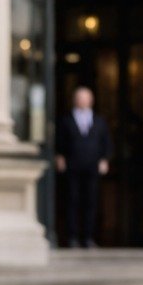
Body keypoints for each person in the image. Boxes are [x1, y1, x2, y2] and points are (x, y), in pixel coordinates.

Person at [54, 86, 111, 249]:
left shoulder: (100, 121)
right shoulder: (66, 120)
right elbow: (59, 141)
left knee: (91, 202)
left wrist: (105, 159)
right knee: (72, 200)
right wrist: (60, 156)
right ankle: (72, 237)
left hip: (92, 166)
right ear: (74, 100)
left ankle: (88, 237)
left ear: (91, 100)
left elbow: (106, 143)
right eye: (79, 97)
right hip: (72, 165)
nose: (82, 101)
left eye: (85, 98)